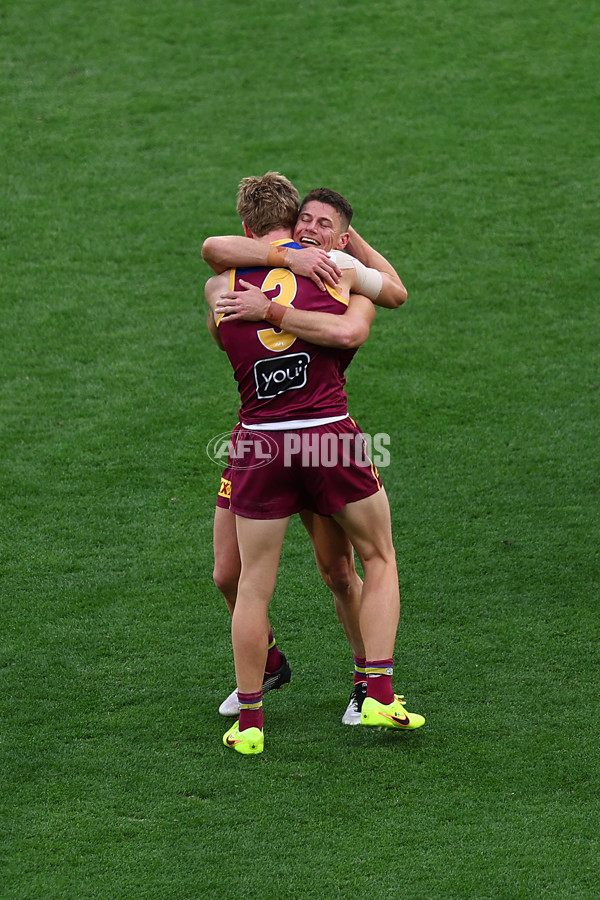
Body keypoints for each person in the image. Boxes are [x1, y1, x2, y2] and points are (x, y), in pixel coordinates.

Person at [204, 173, 425, 754]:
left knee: (269, 581)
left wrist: (268, 304)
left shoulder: (221, 283)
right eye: (308, 222)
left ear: (248, 225)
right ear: (291, 221)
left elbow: (214, 263)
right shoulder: (338, 273)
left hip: (259, 444)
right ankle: (375, 687)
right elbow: (393, 296)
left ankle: (259, 719)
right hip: (326, 441)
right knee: (366, 561)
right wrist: (327, 257)